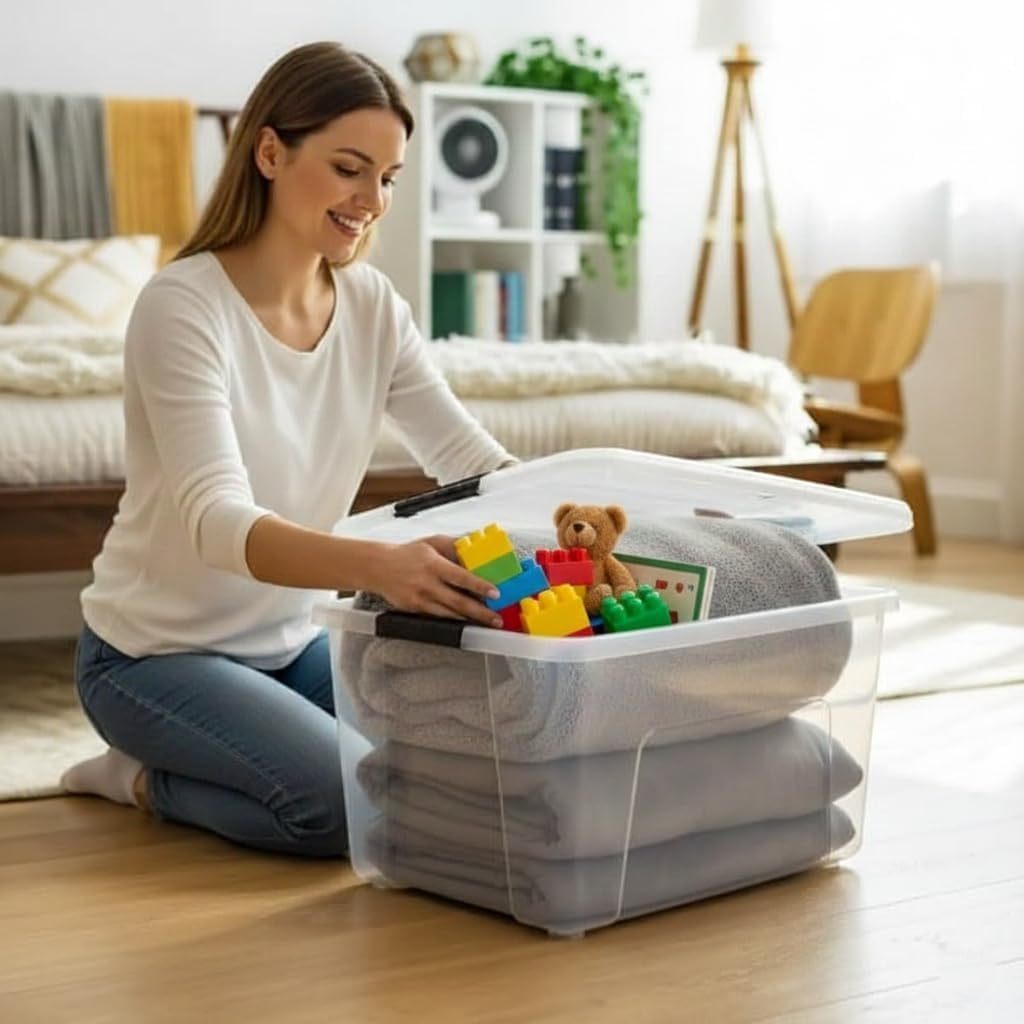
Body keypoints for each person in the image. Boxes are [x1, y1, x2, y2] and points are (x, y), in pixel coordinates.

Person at [61, 41, 516, 857]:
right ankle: (134, 776)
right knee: (339, 810)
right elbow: (218, 523)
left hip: (287, 644)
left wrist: (579, 507)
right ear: (270, 151)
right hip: (150, 658)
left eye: (387, 177)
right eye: (349, 168)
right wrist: (381, 566)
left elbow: (469, 460)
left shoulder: (373, 305)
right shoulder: (183, 306)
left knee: (454, 762)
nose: (371, 199)